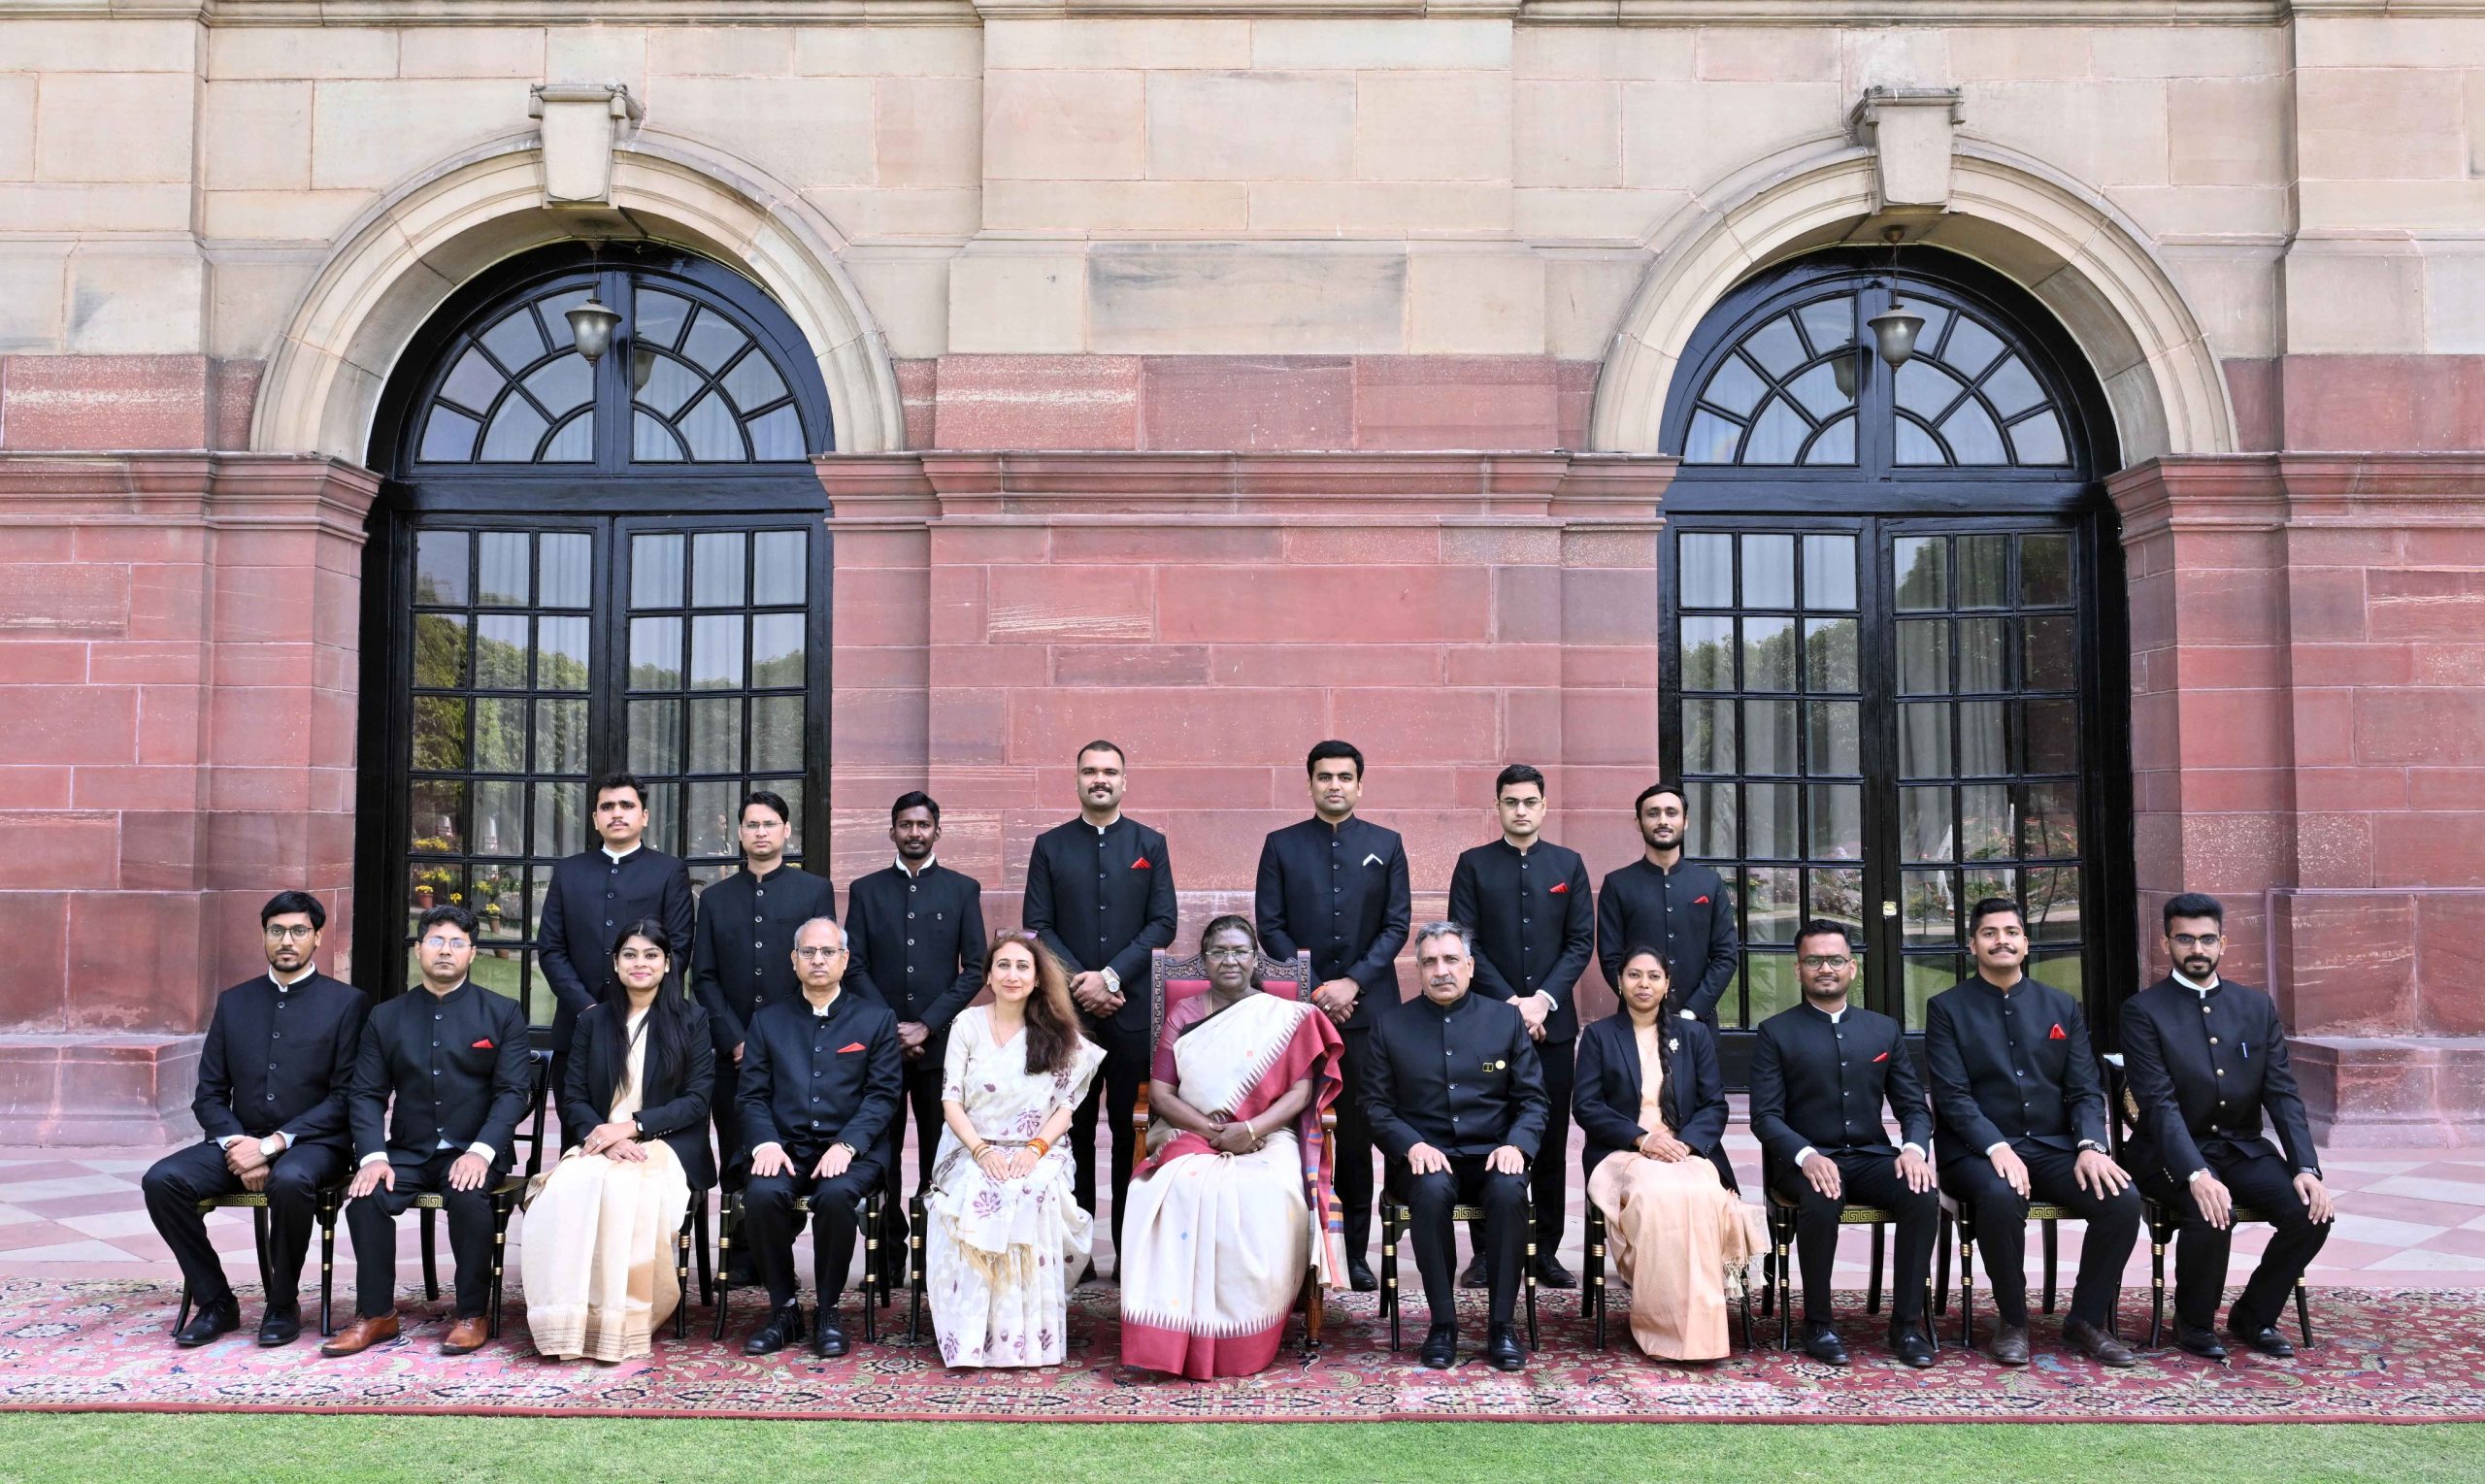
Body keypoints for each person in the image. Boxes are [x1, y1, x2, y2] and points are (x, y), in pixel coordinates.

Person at [1118, 916, 1347, 1378]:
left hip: (1267, 1134)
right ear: (1204, 959)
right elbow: (1161, 1095)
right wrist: (1210, 1129)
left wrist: (1251, 1130)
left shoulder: (1283, 1017)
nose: (1229, 960)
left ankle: (1246, 1329)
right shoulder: (1184, 1015)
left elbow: (1300, 1094)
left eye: (1240, 951)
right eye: (1219, 951)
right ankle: (1176, 1327)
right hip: (1190, 1131)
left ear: (1254, 958)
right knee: (1172, 1191)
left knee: (1264, 1194)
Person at [144, 891, 370, 1348]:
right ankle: (216, 1302)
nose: (287, 940)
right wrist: (237, 1145)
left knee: (290, 1181)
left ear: (318, 937)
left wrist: (270, 1147)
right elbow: (208, 1094)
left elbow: (345, 1096)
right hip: (236, 1141)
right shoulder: (234, 1002)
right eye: (277, 931)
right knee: (162, 1180)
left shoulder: (348, 1003)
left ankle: (282, 1303)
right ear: (264, 936)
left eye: (299, 931)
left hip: (316, 1143)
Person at [1926, 897, 2140, 1368]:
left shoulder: (2061, 1005)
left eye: (2011, 932)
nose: (2001, 940)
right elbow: (1952, 1096)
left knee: (2123, 1200)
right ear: (1972, 944)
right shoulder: (1946, 1008)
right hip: (1974, 1153)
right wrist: (1994, 1145)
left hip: (2055, 1148)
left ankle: (2085, 1320)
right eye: (1989, 933)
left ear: (2025, 942)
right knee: (2000, 1197)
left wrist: (2090, 1145)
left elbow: (2085, 1089)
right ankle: (2014, 1320)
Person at [2120, 892, 2335, 1360]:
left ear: (2223, 943)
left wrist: (2307, 1168)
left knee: (2311, 1215)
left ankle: (2254, 1315)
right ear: (2166, 943)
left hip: (2242, 1148)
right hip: (2166, 1152)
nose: (2197, 949)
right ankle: (2193, 1323)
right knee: (2212, 1211)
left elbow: (2282, 1093)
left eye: (2207, 939)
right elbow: (2158, 1105)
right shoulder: (2143, 1011)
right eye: (2185, 939)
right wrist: (2196, 1174)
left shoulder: (2256, 1007)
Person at [323, 905, 532, 1357]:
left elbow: (514, 1092)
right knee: (364, 1198)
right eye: (436, 940)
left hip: (475, 1150)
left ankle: (471, 1312)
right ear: (419, 950)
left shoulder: (502, 1013)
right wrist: (374, 1156)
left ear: (473, 954)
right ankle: (377, 1314)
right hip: (409, 1151)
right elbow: (365, 1093)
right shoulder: (386, 1016)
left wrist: (481, 1151)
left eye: (457, 942)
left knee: (470, 1197)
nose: (445, 950)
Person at [1746, 920, 1938, 1369]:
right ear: (1798, 971)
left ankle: (1906, 1327)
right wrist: (1807, 1155)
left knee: (1921, 1193)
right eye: (1814, 961)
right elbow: (1765, 1117)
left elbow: (1914, 1107)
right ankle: (1819, 1324)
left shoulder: (1882, 1030)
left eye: (1835, 960)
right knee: (1821, 1193)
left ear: (1852, 968)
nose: (1825, 968)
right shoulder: (1776, 1032)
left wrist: (1913, 1150)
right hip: (1805, 1161)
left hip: (1872, 1155)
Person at [522, 920, 715, 1362]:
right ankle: (570, 1322)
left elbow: (695, 1101)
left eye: (651, 955)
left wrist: (631, 1128)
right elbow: (572, 1098)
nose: (640, 963)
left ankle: (622, 1322)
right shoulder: (592, 1021)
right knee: (567, 1190)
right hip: (599, 1140)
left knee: (627, 1190)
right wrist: (605, 1138)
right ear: (616, 963)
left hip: (665, 1142)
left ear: (667, 964)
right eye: (630, 954)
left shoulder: (692, 1019)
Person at [1255, 739, 1409, 1291]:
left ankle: (1357, 1254)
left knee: (1362, 1132)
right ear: (1311, 783)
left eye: (1345, 777)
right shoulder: (1281, 845)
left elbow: (1397, 925)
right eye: (1325, 777)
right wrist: (1319, 985)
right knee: (1300, 1128)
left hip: (1371, 1015)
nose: (1335, 785)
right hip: (1300, 1010)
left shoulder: (1386, 844)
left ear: (1360, 784)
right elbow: (1269, 926)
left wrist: (1353, 983)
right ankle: (1297, 1249)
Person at [1022, 740, 1177, 1279]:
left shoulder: (1149, 844)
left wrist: (1110, 977)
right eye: (1090, 770)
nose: (1100, 779)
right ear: (1077, 779)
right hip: (1068, 1018)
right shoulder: (1050, 846)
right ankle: (1077, 1254)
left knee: (1134, 1129)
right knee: (1073, 1131)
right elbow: (1038, 925)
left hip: (1131, 1012)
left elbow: (1164, 922)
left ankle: (1131, 1248)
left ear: (1124, 781)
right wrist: (1080, 984)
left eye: (1110, 771)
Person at [1366, 922, 1546, 1372]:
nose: (1440, 970)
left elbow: (1533, 1100)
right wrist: (1410, 1145)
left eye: (1450, 960)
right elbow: (1374, 1106)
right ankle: (1442, 1323)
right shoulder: (1391, 1025)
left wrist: (1517, 1147)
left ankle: (1502, 1324)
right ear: (1418, 969)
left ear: (1469, 965)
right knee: (1428, 1190)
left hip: (1493, 1153)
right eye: (1430, 962)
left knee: (1508, 1191)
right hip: (1425, 1156)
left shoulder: (1504, 1020)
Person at [921, 929, 1105, 1369]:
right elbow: (950, 1101)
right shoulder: (967, 1024)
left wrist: (1036, 1149)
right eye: (1003, 965)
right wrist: (982, 1152)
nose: (1012, 974)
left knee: (1027, 1191)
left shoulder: (1058, 1033)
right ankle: (970, 1337)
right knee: (981, 1193)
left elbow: (1065, 1107)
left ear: (1038, 978)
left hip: (1040, 1148)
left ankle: (1025, 1339)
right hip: (969, 1147)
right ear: (988, 975)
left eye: (1023, 966)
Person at [1574, 945, 1763, 1363]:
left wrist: (1686, 1144)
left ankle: (1703, 1331)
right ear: (1620, 983)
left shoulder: (1692, 1036)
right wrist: (1643, 1139)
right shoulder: (1600, 1036)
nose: (1644, 984)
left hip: (1684, 1151)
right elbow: (1586, 1106)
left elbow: (1715, 1105)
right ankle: (1661, 1326)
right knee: (1657, 1196)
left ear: (1667, 984)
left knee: (1704, 1194)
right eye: (1634, 975)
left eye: (1654, 976)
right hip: (1623, 1154)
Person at [1448, 763, 1594, 1291]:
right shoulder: (1473, 865)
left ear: (1544, 806)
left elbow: (1581, 942)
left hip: (1552, 1027)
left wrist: (1542, 1002)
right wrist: (1512, 1004)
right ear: (1498, 807)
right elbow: (1466, 942)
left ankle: (1547, 1250)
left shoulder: (1568, 865)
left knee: (1550, 1139)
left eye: (1530, 801)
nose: (1521, 810)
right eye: (1511, 802)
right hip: (1489, 1022)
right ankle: (1487, 1254)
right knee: (1491, 1133)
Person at [735, 916, 903, 1359]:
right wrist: (765, 1143)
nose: (818, 960)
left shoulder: (876, 1019)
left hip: (852, 1150)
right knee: (761, 1194)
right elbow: (751, 1095)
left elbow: (883, 1095)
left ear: (845, 960)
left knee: (834, 1198)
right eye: (808, 952)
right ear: (793, 961)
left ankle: (828, 1309)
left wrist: (846, 1145)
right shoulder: (767, 1021)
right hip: (784, 1147)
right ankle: (784, 1307)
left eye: (828, 952)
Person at [843, 791, 986, 1289]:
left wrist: (926, 1023)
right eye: (905, 825)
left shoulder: (963, 889)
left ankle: (935, 1256)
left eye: (923, 824)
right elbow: (852, 964)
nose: (914, 833)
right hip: (878, 1046)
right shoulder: (866, 890)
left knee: (937, 1153)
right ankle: (885, 1258)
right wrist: (890, 1028)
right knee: (878, 1153)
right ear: (892, 832)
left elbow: (975, 971)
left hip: (940, 1046)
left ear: (936, 831)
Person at [689, 789, 835, 1228]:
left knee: (788, 1146)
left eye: (769, 824)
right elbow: (704, 977)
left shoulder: (813, 891)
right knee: (738, 1146)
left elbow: (818, 968)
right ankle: (741, 1253)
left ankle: (777, 1245)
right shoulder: (715, 899)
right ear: (739, 833)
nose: (760, 832)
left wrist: (774, 1039)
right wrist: (735, 1039)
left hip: (794, 1048)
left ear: (786, 831)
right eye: (752, 824)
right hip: (730, 1052)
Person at [537, 773, 694, 1149]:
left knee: (648, 1143)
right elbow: (551, 949)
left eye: (627, 805)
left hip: (652, 1029)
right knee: (582, 1141)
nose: (616, 813)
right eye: (607, 806)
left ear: (645, 816)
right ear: (595, 819)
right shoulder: (569, 871)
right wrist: (590, 1010)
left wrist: (636, 1009)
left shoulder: (668, 871)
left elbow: (679, 947)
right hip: (577, 1027)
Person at [1596, 781, 1737, 1032]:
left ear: (1685, 821)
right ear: (1638, 823)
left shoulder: (1709, 883)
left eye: (1671, 813)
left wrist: (1693, 1011)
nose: (1663, 820)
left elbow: (1725, 956)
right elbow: (1611, 958)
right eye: (1653, 813)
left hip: (1699, 1024)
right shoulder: (1617, 884)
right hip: (1635, 1023)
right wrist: (1643, 1007)